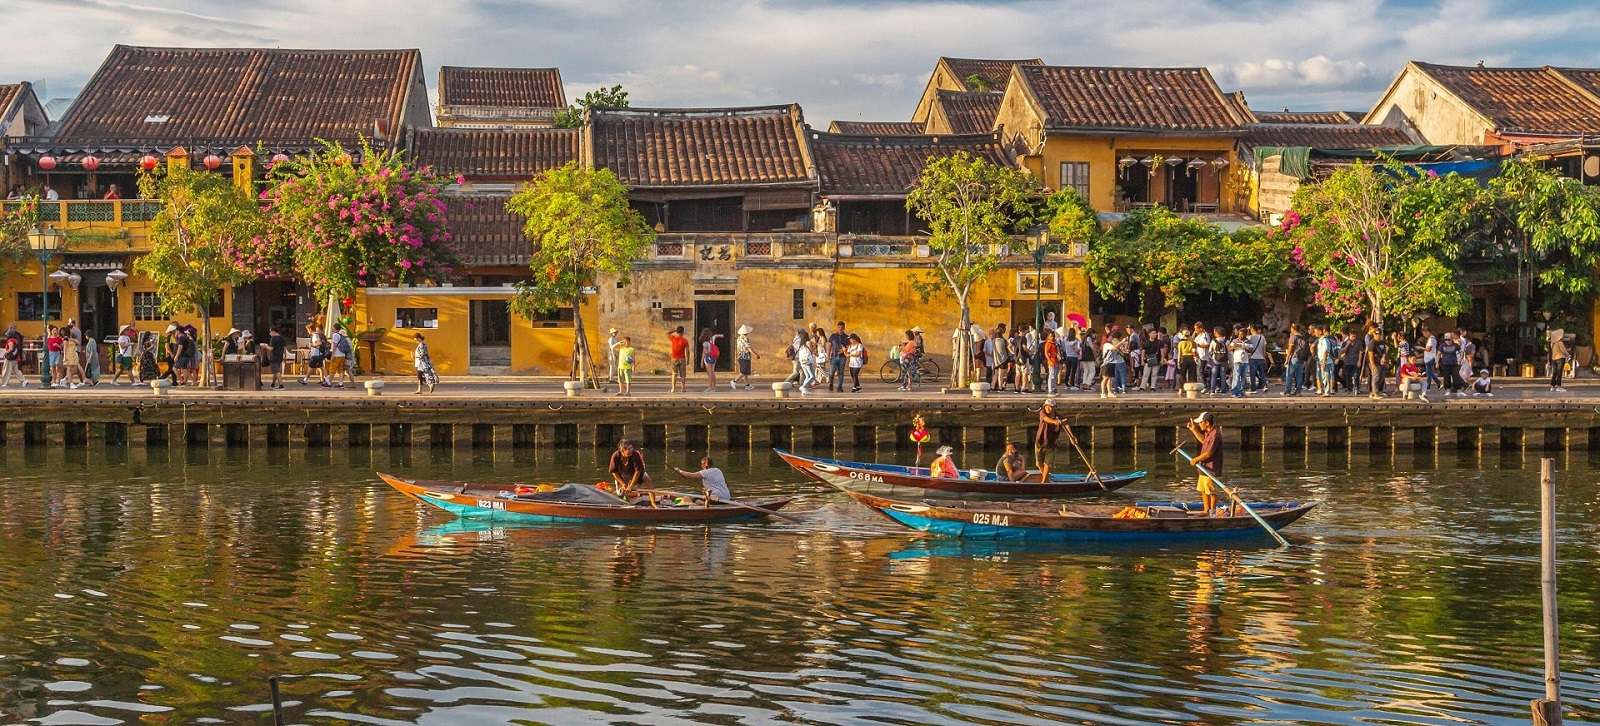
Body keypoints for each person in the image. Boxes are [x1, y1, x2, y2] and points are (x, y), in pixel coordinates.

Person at [1185, 412, 1225, 516]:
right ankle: (1206, 510)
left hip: (1211, 468)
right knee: (1203, 489)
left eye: (1200, 422)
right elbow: (1203, 440)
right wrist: (1194, 430)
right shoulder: (1208, 432)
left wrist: (1196, 459)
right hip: (1203, 467)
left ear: (1207, 423)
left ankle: (1212, 511)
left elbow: (1209, 453)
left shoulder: (1215, 434)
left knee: (1211, 491)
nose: (1199, 424)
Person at [1033, 399, 1064, 482]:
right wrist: (1055, 422)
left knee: (1048, 463)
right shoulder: (1042, 412)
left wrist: (1072, 437)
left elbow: (1066, 423)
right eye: (1046, 406)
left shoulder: (1058, 416)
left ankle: (1043, 482)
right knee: (1039, 463)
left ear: (1054, 408)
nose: (1048, 408)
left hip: (1051, 443)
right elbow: (1046, 419)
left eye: (1050, 407)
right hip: (1040, 442)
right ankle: (1046, 479)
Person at [732, 324, 758, 390]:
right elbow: (748, 348)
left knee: (745, 372)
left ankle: (747, 385)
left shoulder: (739, 338)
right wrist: (755, 354)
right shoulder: (745, 338)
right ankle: (734, 381)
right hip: (745, 357)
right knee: (743, 372)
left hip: (740, 356)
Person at [328, 323, 354, 388]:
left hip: (337, 355)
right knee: (341, 370)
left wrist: (332, 355)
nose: (332, 328)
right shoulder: (342, 336)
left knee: (332, 369)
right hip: (343, 355)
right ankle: (340, 383)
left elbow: (334, 346)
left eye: (333, 327)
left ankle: (328, 383)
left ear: (335, 328)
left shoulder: (335, 335)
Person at [827, 321, 849, 393]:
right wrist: (828, 354)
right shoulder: (833, 336)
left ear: (844, 328)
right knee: (831, 372)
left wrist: (844, 351)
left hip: (842, 357)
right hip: (834, 356)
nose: (840, 329)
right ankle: (831, 384)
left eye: (842, 328)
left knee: (841, 372)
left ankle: (840, 387)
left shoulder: (846, 337)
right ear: (837, 327)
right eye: (839, 327)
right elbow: (829, 345)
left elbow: (849, 347)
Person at [667, 326, 688, 393]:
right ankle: (683, 388)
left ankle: (673, 388)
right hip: (682, 359)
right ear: (683, 332)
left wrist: (674, 330)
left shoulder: (673, 338)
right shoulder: (685, 340)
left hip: (674, 358)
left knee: (674, 373)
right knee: (683, 375)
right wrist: (688, 359)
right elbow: (687, 351)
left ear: (677, 332)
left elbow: (668, 333)